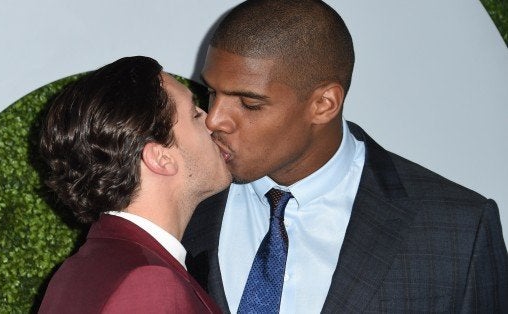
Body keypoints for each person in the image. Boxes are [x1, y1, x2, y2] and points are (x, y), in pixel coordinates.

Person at [182, 1, 508, 313]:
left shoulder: (456, 232)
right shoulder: (176, 194)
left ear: (324, 104)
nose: (214, 119)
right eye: (212, 92)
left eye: (249, 103)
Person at [38, 56, 230, 313]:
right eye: (195, 114)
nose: (212, 123)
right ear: (160, 158)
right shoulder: (149, 282)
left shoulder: (82, 269)